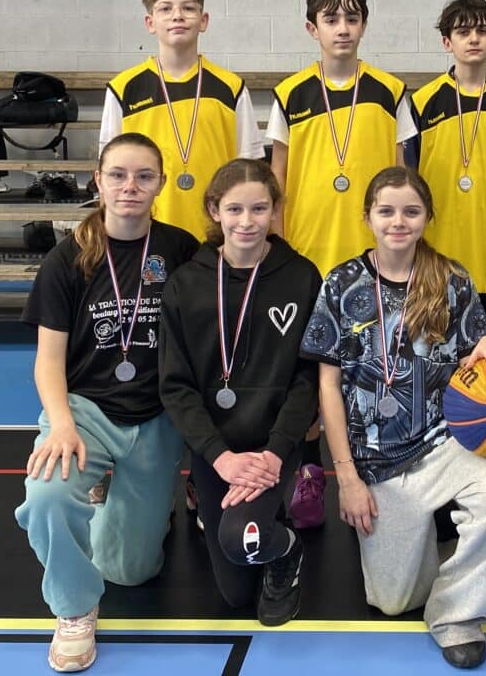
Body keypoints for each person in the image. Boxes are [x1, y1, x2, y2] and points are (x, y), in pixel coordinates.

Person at [300, 167, 486, 670]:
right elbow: (328, 388)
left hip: (445, 444)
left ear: (427, 216)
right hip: (375, 458)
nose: (398, 221)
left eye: (410, 211)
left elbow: (476, 351)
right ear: (367, 217)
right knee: (394, 601)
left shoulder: (452, 279)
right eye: (386, 211)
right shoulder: (340, 282)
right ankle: (430, 542)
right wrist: (347, 480)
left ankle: (457, 616)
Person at [15, 134, 200, 673]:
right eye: (117, 175)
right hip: (85, 410)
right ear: (98, 180)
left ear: (160, 183)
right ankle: (73, 609)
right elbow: (48, 361)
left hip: (156, 415)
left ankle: (117, 500)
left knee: (131, 572)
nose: (129, 187)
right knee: (47, 496)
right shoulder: (67, 258)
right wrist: (61, 426)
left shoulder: (180, 250)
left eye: (143, 176)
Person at [268, 0, 418, 528]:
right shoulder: (290, 93)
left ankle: (381, 472)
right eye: (331, 19)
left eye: (352, 18)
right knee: (307, 375)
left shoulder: (390, 91)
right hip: (307, 255)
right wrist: (277, 246)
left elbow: (402, 175)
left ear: (364, 26)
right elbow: (278, 177)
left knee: (375, 371)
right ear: (312, 28)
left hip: (371, 259)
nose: (343, 29)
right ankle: (309, 477)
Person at [158, 157, 324, 626]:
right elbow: (176, 385)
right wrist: (221, 458)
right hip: (219, 452)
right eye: (234, 209)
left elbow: (307, 378)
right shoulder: (186, 284)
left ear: (275, 209)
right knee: (235, 591)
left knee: (243, 539)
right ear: (215, 210)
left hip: (276, 445)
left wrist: (275, 453)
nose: (246, 221)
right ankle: (270, 525)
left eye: (259, 208)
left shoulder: (301, 276)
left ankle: (286, 550)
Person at [101, 0, 263, 239]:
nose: (177, 15)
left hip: (217, 234)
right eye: (165, 9)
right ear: (150, 22)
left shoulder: (230, 88)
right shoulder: (124, 89)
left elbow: (250, 171)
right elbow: (109, 175)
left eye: (188, 8)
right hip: (147, 232)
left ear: (203, 20)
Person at [408, 0, 486, 343]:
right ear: (447, 42)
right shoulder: (423, 102)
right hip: (436, 256)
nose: (473, 39)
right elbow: (409, 182)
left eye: (482, 31)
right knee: (434, 357)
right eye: (463, 32)